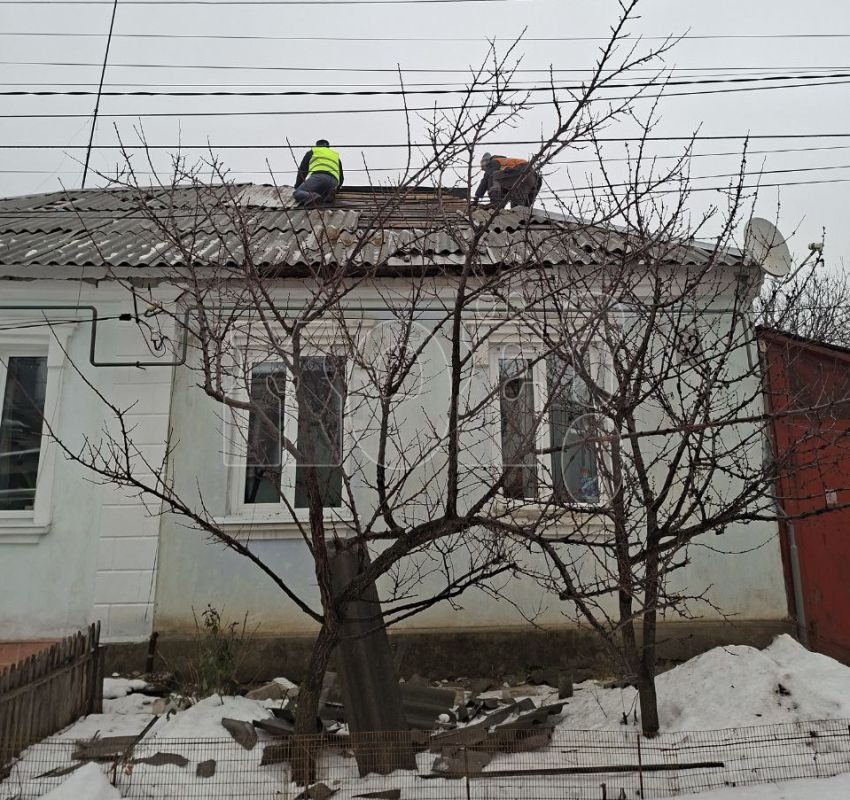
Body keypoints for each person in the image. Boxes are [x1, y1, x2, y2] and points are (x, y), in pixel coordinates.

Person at [474, 153, 540, 209]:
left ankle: (495, 202)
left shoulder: (494, 161)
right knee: (518, 209)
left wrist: (477, 196)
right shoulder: (506, 171)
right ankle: (521, 217)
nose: (486, 170)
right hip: (534, 178)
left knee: (492, 177)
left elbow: (487, 176)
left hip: (521, 170)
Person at [293, 139, 344, 206]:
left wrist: (297, 186)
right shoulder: (335, 156)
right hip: (334, 182)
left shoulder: (313, 151)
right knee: (321, 195)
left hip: (319, 177)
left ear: (317, 146)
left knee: (298, 193)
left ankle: (313, 197)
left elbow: (303, 170)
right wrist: (337, 188)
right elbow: (341, 178)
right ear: (328, 147)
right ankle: (328, 194)